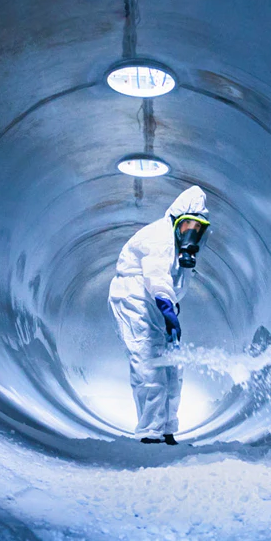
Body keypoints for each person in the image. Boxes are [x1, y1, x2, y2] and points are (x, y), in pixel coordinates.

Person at [108, 186, 211, 445]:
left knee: (173, 365)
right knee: (149, 360)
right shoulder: (159, 238)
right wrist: (166, 307)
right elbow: (156, 276)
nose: (192, 233)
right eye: (188, 226)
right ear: (176, 222)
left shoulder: (179, 249)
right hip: (135, 298)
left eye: (197, 228)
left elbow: (173, 284)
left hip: (157, 301)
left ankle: (167, 428)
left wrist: (170, 311)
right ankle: (149, 431)